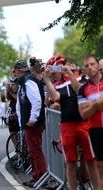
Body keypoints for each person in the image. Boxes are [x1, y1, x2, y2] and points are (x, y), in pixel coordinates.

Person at [44, 54, 101, 190]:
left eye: (57, 69)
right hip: (67, 125)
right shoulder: (57, 85)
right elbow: (55, 97)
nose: (55, 73)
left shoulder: (82, 78)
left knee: (90, 160)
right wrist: (46, 79)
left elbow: (79, 90)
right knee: (70, 161)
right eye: (54, 70)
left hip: (85, 123)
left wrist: (69, 73)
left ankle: (96, 187)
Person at [12, 60, 47, 187]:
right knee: (32, 150)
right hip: (28, 122)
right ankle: (36, 175)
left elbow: (36, 100)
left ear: (19, 70)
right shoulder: (24, 81)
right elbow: (20, 103)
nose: (13, 73)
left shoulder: (28, 81)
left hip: (33, 123)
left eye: (14, 70)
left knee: (35, 150)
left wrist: (33, 118)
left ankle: (41, 175)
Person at [78, 54, 103, 189]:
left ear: (98, 66)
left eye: (92, 64)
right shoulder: (83, 89)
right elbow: (83, 114)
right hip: (95, 129)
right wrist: (96, 105)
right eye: (86, 66)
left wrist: (92, 104)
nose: (90, 67)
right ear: (84, 70)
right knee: (100, 166)